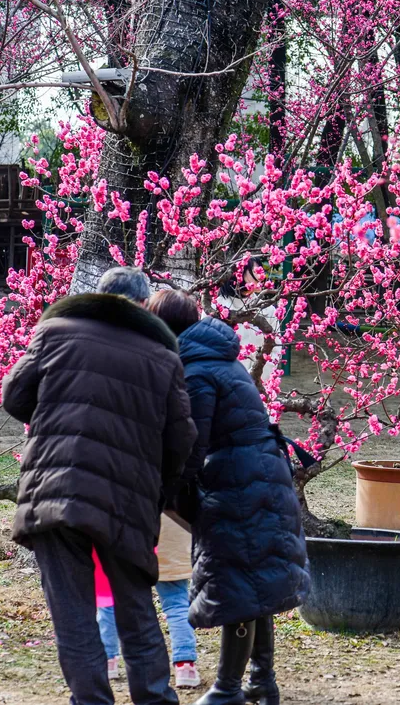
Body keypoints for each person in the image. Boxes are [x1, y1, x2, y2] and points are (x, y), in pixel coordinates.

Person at [3, 267, 197, 705]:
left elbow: (14, 395)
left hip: (54, 487)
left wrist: (57, 420)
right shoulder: (163, 357)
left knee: (72, 613)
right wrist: (159, 487)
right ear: (144, 306)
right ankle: (155, 698)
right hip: (128, 498)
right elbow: (181, 439)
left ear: (100, 297)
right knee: (135, 607)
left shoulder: (54, 331)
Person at [147, 289, 309, 705]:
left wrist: (163, 492)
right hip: (256, 474)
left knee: (236, 581)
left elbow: (191, 447)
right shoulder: (218, 358)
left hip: (238, 482)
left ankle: (228, 689)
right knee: (253, 581)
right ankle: (261, 681)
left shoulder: (198, 370)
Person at [97, 514, 201, 687]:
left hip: (133, 534)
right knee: (176, 602)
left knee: (113, 599)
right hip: (172, 536)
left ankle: (107, 660)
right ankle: (185, 666)